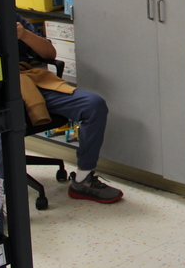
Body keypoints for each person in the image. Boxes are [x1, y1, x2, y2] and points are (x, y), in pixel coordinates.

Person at [16, 16, 123, 203]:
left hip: (29, 81)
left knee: (93, 105)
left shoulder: (14, 19)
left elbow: (49, 54)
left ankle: (83, 179)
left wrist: (23, 34)